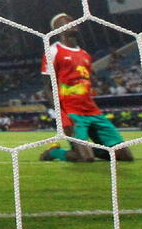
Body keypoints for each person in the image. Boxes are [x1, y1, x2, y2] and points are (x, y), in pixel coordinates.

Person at [39, 13, 133, 163]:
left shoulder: (85, 55)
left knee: (125, 156)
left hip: (92, 110)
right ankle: (54, 152)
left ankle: (86, 149)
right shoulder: (53, 51)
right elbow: (48, 86)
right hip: (71, 111)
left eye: (73, 20)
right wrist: (61, 113)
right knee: (85, 158)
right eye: (66, 21)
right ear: (57, 29)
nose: (72, 22)